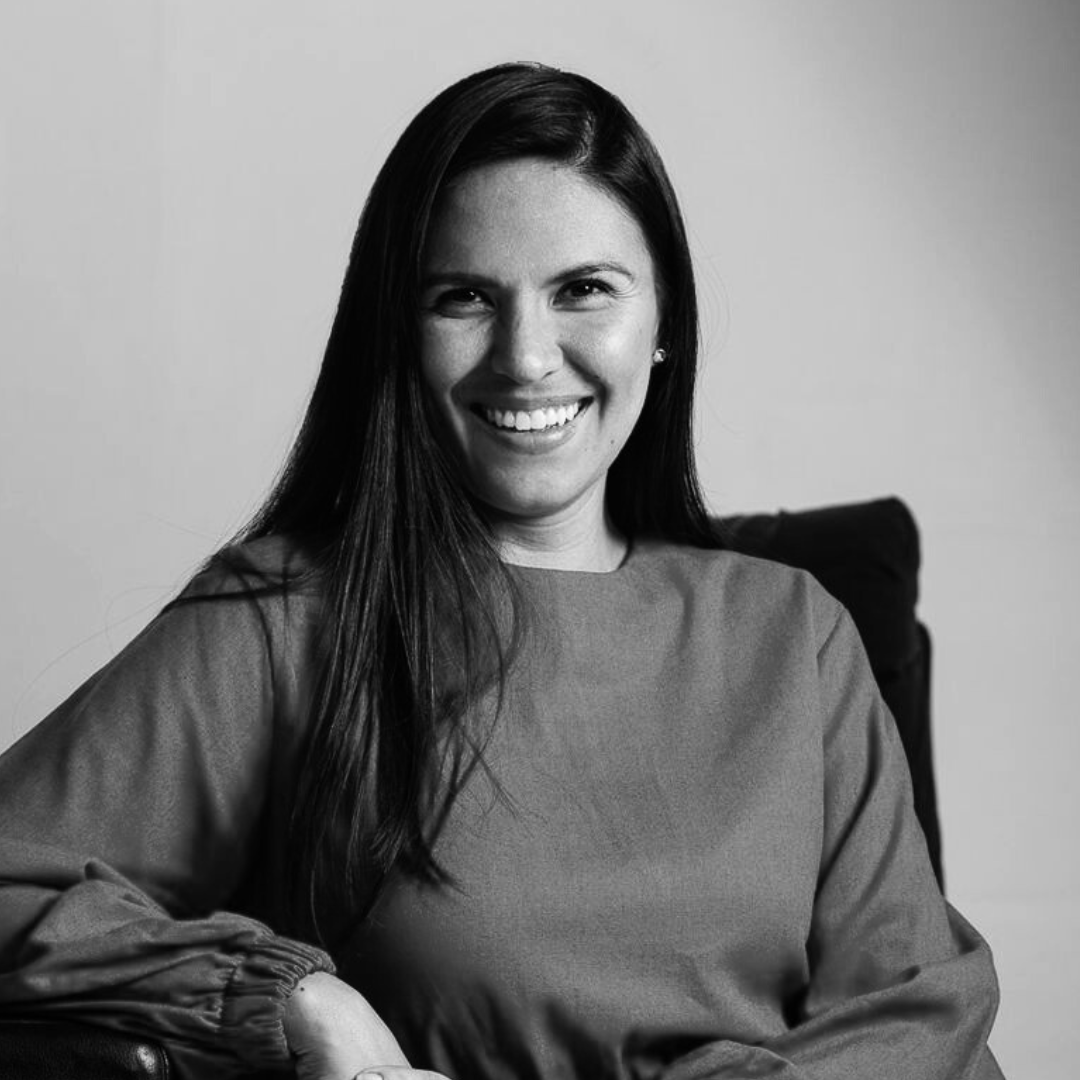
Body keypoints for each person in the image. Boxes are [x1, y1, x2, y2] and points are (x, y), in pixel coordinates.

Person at [0, 63, 1003, 1080]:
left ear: (664, 324)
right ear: (400, 334)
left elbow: (923, 1014)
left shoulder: (794, 634)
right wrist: (291, 999)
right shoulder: (287, 618)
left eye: (583, 291)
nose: (526, 357)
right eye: (465, 298)